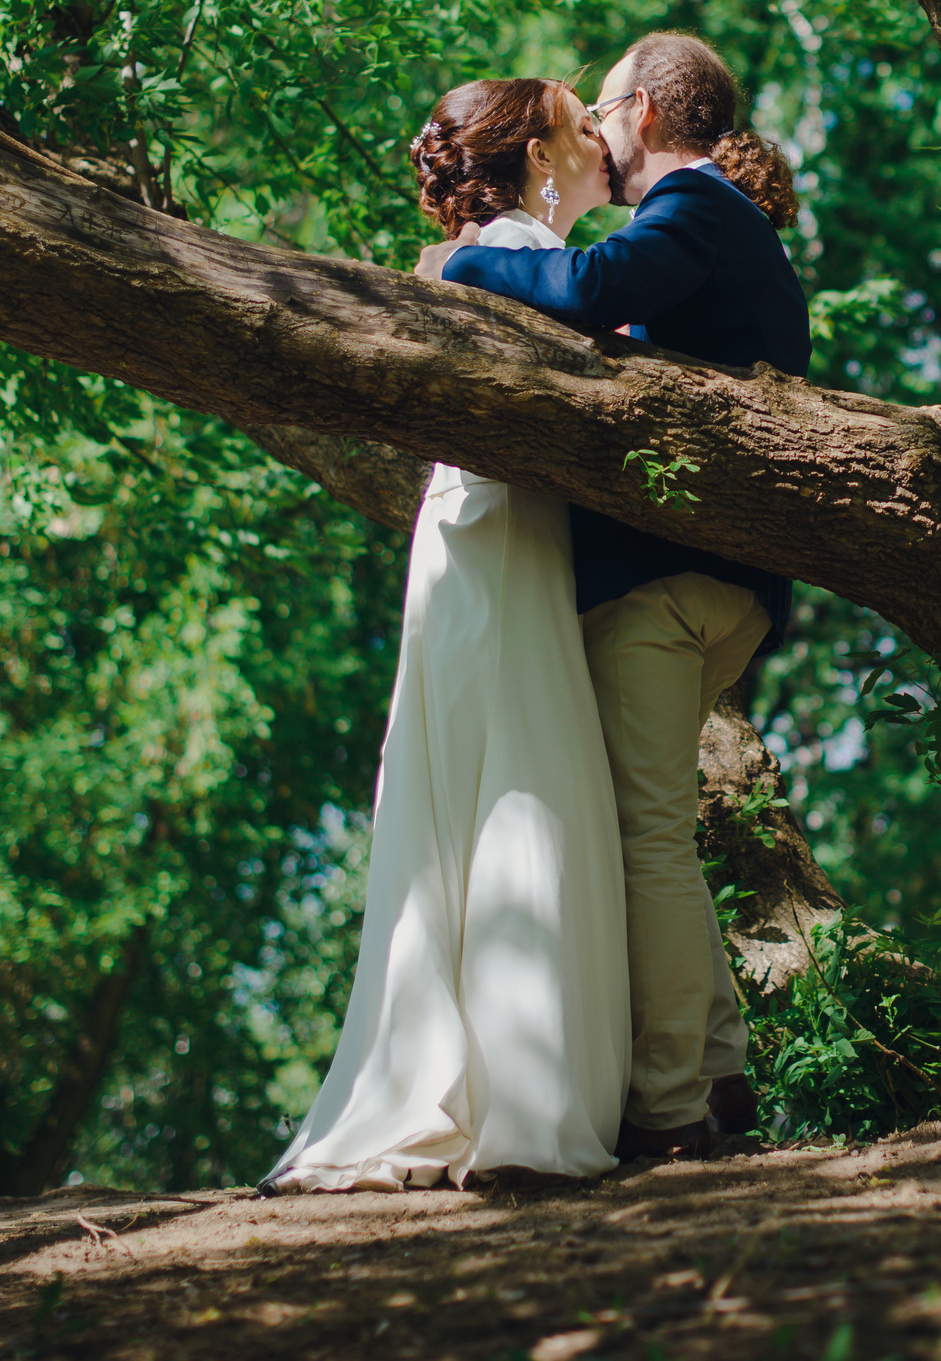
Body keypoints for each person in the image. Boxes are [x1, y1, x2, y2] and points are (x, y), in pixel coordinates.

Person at [440, 31, 808, 1160]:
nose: (592, 128)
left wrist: (462, 263)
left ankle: (668, 1107)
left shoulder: (695, 208)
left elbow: (591, 284)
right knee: (662, 833)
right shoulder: (707, 227)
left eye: (602, 107)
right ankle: (718, 1068)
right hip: (707, 581)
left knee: (645, 835)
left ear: (644, 111)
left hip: (667, 579)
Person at [261, 78, 631, 1191]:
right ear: (535, 154)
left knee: (459, 787)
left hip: (462, 529)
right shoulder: (516, 251)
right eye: (577, 123)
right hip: (504, 527)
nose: (597, 138)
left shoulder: (475, 253)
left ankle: (449, 1088)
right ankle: (526, 1100)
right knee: (524, 775)